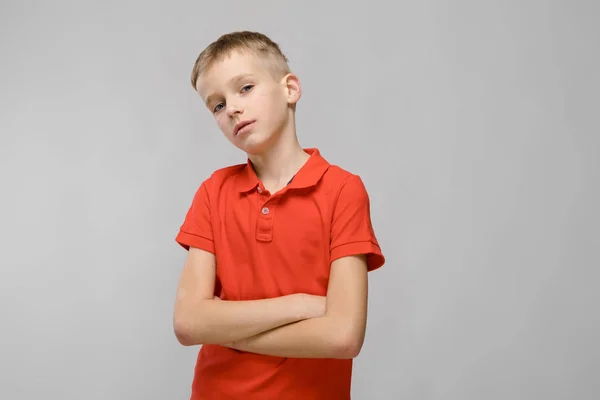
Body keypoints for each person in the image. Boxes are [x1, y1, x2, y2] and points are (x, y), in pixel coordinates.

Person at [173, 30, 385, 400]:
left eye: (245, 88)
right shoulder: (213, 192)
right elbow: (189, 324)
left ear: (290, 89)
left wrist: (225, 329)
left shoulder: (342, 190)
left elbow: (342, 336)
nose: (232, 108)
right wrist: (301, 305)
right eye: (217, 105)